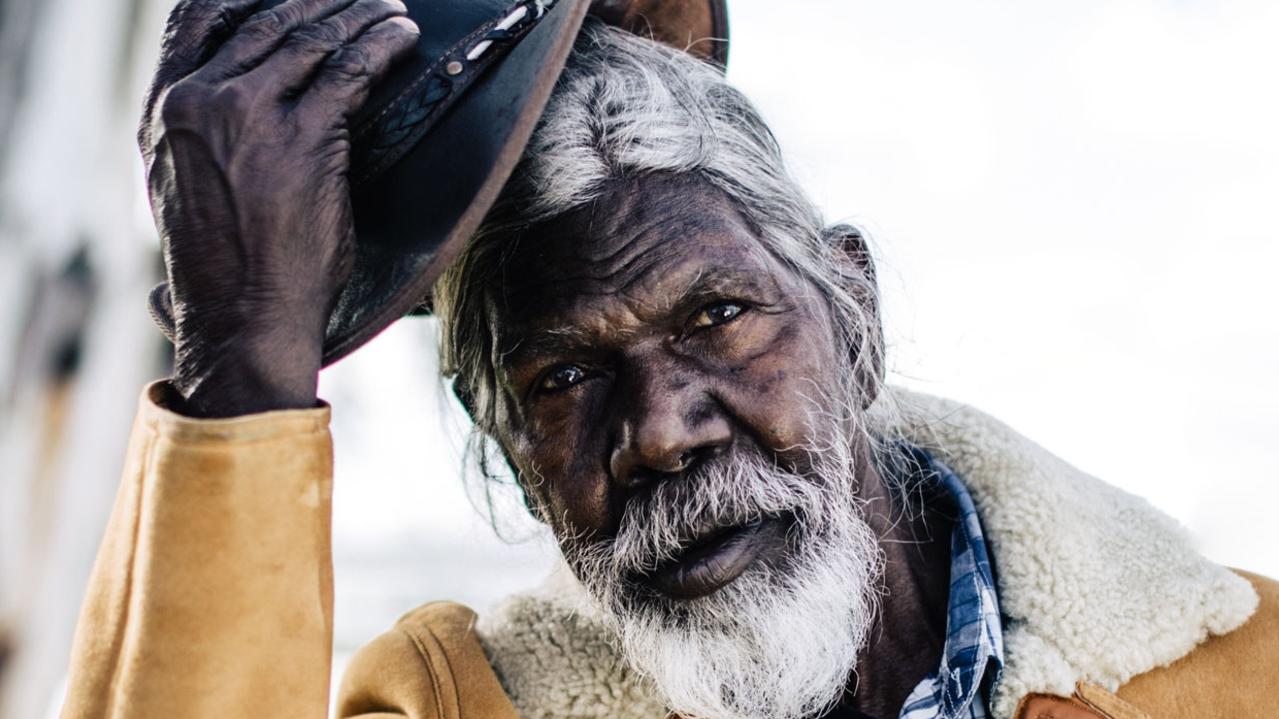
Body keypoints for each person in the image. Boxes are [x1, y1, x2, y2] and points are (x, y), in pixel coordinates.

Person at [60, 0, 1278, 718]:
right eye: (561, 379)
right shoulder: (462, 706)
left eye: (715, 317)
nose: (660, 428)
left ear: (853, 312)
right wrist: (244, 360)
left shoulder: (1237, 665)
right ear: (513, 460)